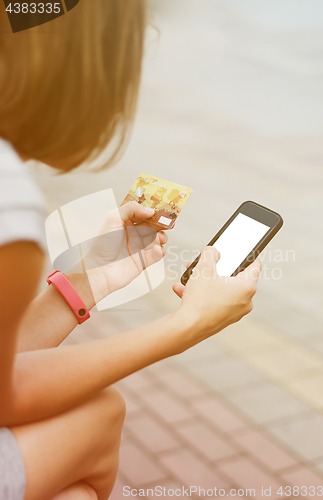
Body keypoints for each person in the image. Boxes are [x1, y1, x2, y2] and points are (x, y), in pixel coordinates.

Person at [0, 1, 261, 499]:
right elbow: (5, 395)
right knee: (100, 416)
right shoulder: (9, 202)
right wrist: (187, 325)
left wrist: (86, 279)